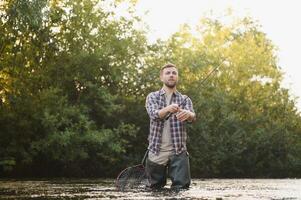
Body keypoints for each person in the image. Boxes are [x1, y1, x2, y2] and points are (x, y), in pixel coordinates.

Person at [145, 63, 196, 190]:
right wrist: (168, 109)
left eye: (174, 73)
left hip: (178, 151)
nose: (171, 75)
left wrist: (188, 114)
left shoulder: (185, 99)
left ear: (177, 77)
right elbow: (154, 114)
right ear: (161, 77)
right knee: (154, 190)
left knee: (182, 189)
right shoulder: (152, 96)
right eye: (168, 73)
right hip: (156, 151)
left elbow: (192, 117)